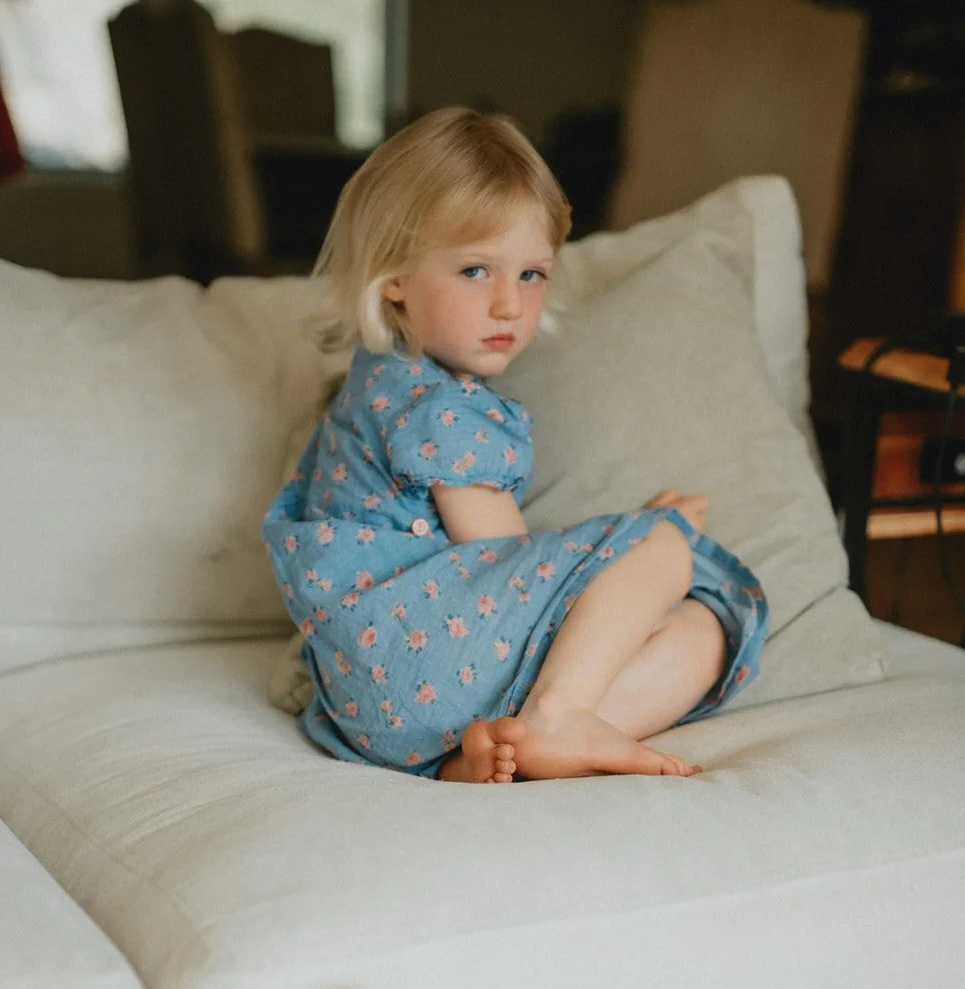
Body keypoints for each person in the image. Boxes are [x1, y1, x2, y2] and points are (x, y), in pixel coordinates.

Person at [261, 107, 768, 783]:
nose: (509, 304)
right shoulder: (442, 411)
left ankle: (484, 757)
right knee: (670, 553)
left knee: (689, 632)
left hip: (371, 702)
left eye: (531, 274)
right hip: (425, 667)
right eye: (476, 271)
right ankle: (557, 717)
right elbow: (499, 557)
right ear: (394, 283)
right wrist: (643, 539)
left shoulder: (374, 386)